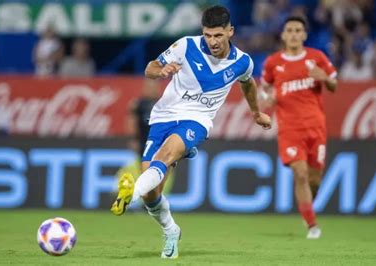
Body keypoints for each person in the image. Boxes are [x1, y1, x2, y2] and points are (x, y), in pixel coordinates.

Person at [110, 5, 272, 259]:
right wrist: (160, 71)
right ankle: (170, 229)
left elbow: (248, 83)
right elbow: (150, 67)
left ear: (230, 31)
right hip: (163, 116)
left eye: (218, 35)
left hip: (197, 120)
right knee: (154, 192)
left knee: (164, 156)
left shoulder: (242, 62)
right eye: (208, 35)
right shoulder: (186, 46)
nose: (213, 41)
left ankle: (130, 195)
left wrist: (255, 112)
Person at [259, 16, 338, 239]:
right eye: (290, 30)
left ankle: (306, 208)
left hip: (316, 128)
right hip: (289, 129)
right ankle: (312, 225)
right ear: (283, 35)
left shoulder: (317, 58)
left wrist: (325, 78)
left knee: (314, 179)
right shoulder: (273, 63)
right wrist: (267, 99)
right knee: (300, 173)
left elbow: (334, 84)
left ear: (304, 35)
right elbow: (263, 91)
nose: (294, 34)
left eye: (298, 30)